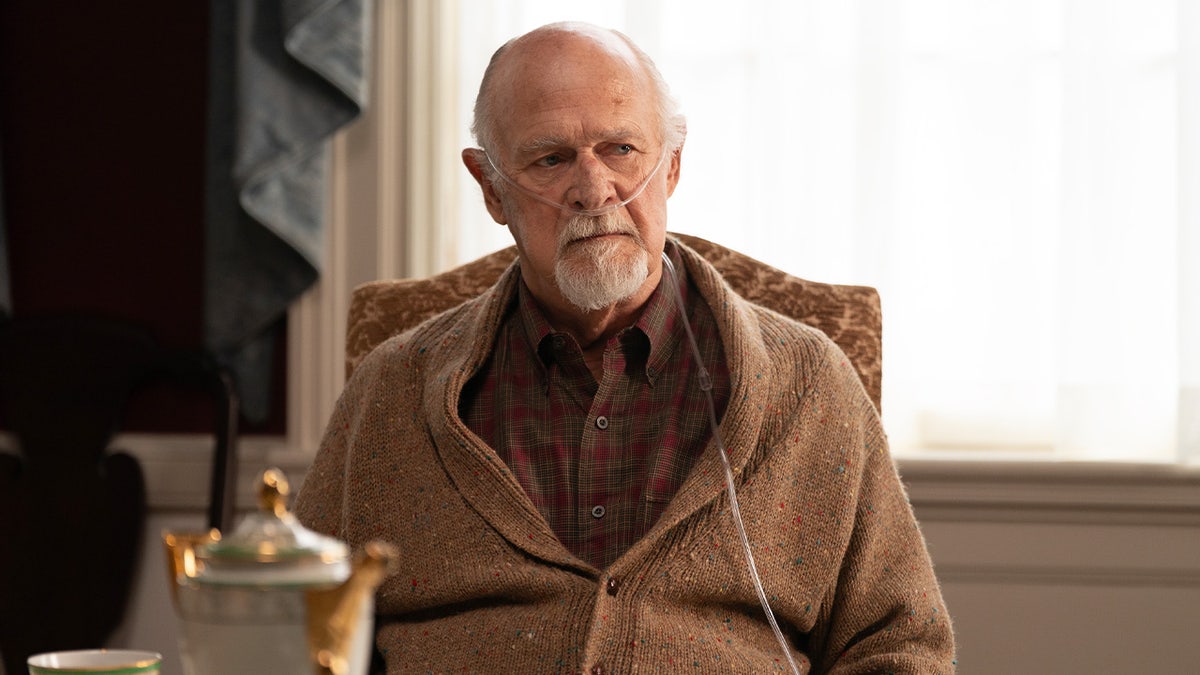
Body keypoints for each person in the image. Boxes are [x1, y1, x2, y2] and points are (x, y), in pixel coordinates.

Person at [295, 21, 955, 674]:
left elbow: (901, 645)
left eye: (620, 149)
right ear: (491, 187)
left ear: (671, 164)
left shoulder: (809, 382)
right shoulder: (393, 390)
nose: (593, 189)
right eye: (551, 158)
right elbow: (296, 625)